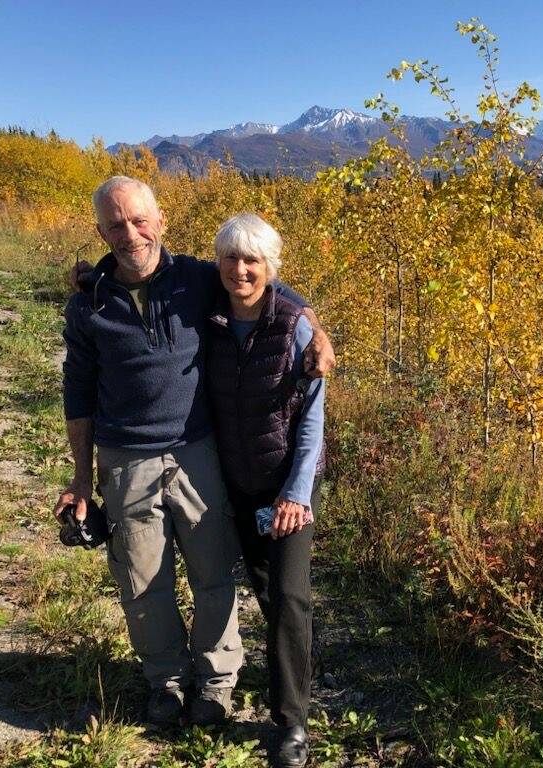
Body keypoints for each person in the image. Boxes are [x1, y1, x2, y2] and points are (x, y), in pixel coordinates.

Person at [54, 176, 334, 727]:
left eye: (139, 220)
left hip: (197, 451)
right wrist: (81, 479)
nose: (130, 233)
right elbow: (78, 389)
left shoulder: (197, 278)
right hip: (125, 457)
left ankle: (217, 682)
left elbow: (268, 287)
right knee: (142, 580)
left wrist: (317, 331)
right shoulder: (85, 304)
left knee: (212, 574)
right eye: (115, 224)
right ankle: (167, 682)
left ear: (161, 221)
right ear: (100, 232)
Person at [206, 213, 323, 768]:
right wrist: (93, 278)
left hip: (287, 484)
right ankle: (289, 669)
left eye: (252, 260)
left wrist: (296, 494)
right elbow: (155, 268)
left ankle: (292, 723)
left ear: (270, 268)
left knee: (291, 597)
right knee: (268, 593)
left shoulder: (295, 325)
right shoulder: (207, 314)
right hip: (237, 480)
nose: (240, 269)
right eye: (231, 258)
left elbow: (312, 421)